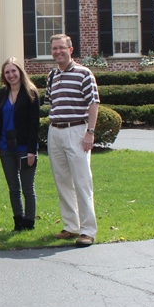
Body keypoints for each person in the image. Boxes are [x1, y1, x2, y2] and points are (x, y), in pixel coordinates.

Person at [45, 34, 100, 247]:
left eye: (61, 48)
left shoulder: (84, 74)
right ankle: (71, 226)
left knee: (82, 182)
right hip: (55, 131)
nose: (58, 52)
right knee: (62, 181)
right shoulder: (52, 75)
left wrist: (90, 132)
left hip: (76, 130)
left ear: (70, 49)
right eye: (54, 49)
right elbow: (52, 103)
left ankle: (87, 230)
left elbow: (93, 103)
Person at [0, 57, 41, 232]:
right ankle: (18, 221)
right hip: (5, 147)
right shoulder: (3, 93)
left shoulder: (31, 93)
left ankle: (29, 222)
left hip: (25, 148)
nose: (11, 75)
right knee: (13, 188)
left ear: (20, 72)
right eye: (7, 72)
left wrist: (32, 150)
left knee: (27, 188)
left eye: (13, 71)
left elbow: (34, 124)